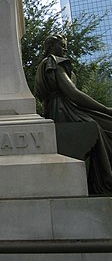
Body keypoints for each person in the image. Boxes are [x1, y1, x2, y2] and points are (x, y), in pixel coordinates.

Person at [35, 34, 112, 194]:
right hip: (65, 111)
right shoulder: (53, 62)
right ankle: (104, 181)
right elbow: (74, 94)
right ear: (51, 46)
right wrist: (105, 109)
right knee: (105, 124)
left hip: (58, 109)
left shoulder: (44, 66)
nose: (65, 48)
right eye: (62, 45)